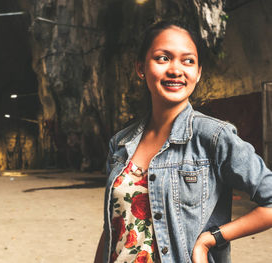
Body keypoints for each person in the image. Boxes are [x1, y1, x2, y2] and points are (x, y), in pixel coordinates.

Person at [94, 20, 272, 263]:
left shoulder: (214, 137)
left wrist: (210, 240)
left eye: (188, 60)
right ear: (140, 68)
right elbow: (111, 228)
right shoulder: (121, 144)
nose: (176, 69)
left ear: (198, 73)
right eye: (163, 58)